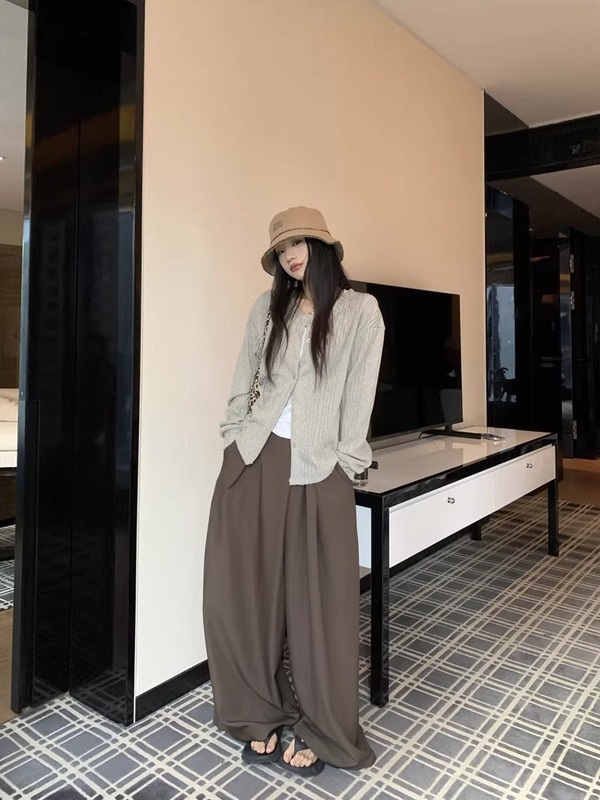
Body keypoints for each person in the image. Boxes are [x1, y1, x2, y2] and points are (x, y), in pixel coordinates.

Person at [203, 206, 384, 775]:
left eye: (299, 244)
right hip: (255, 458)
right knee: (240, 595)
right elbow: (243, 379)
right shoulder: (267, 308)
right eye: (282, 250)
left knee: (321, 607)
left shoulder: (359, 311)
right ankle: (258, 712)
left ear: (322, 246)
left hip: (319, 466)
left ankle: (326, 730)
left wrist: (346, 461)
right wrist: (234, 437)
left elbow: (359, 394)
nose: (290, 256)